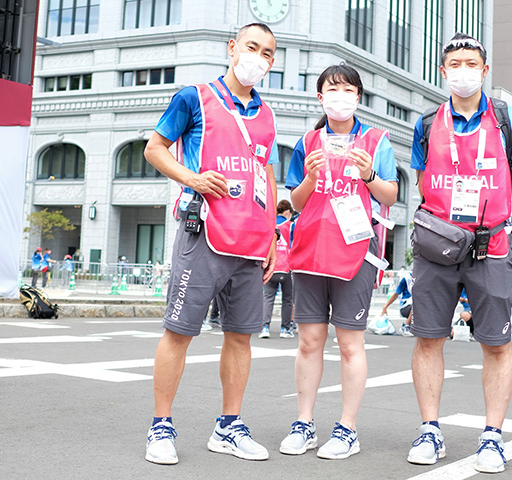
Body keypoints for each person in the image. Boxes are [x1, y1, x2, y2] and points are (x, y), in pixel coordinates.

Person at [142, 23, 279, 465]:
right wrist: (192, 178)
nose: (258, 57)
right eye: (251, 47)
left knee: (241, 337)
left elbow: (267, 174)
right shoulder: (194, 97)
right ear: (232, 48)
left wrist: (273, 233)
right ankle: (161, 426)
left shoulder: (268, 115)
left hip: (251, 241)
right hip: (203, 233)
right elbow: (154, 148)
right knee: (179, 332)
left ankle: (228, 427)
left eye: (268, 53)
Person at [407, 33, 512, 473]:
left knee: (496, 344)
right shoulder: (426, 123)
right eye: (454, 63)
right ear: (444, 72)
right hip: (436, 247)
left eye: (471, 63)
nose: (462, 70)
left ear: (484, 71)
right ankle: (429, 430)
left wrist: (491, 218)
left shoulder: (507, 120)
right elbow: (423, 184)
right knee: (428, 338)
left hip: (491, 246)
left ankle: (492, 438)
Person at [279, 63, 398, 460]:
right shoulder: (308, 140)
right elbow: (293, 201)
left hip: (356, 253)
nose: (340, 96)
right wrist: (311, 179)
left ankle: (347, 428)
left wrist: (367, 176)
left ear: (358, 97)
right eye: (333, 89)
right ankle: (304, 423)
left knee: (350, 344)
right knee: (309, 342)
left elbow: (390, 196)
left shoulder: (376, 140)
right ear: (320, 97)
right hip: (311, 252)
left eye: (348, 90)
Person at [260, 199, 296, 339]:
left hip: (270, 265)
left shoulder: (270, 223)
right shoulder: (290, 225)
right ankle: (285, 329)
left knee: (268, 297)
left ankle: (265, 327)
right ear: (287, 212)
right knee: (287, 299)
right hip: (287, 266)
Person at [380, 270, 413, 337]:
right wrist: (385, 306)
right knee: (417, 305)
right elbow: (396, 294)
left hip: (413, 306)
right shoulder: (406, 279)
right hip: (406, 306)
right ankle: (405, 326)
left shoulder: (423, 280)